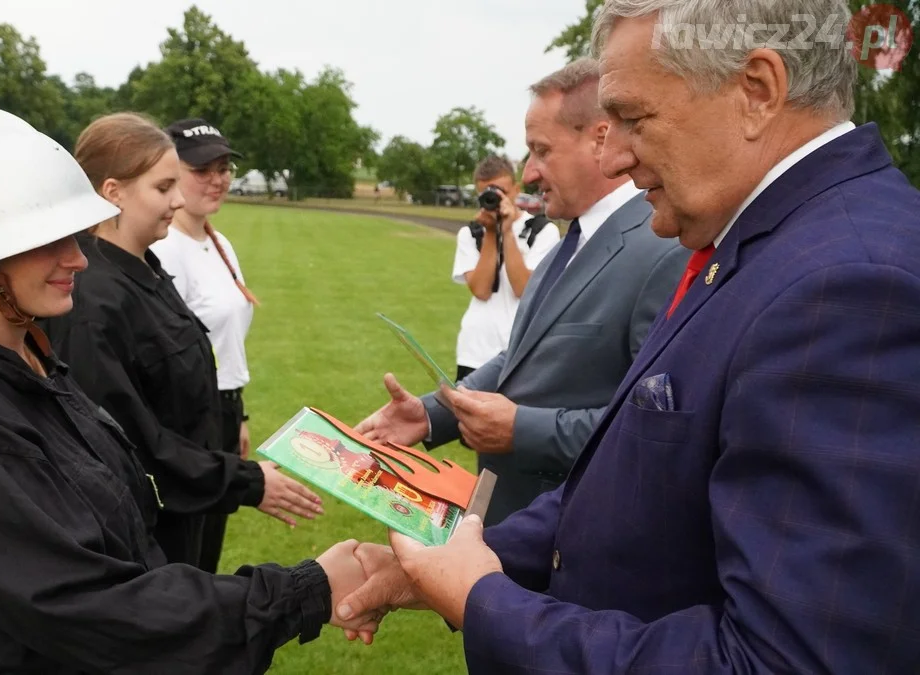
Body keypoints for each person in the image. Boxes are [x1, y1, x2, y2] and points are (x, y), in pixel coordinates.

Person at [341, 1, 920, 672]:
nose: (613, 155)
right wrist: (453, 563)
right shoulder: (755, 244)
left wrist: (484, 597)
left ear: (757, 91)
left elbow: (783, 660)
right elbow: (629, 485)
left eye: (634, 119)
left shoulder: (849, 284)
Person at [0, 106, 380, 674]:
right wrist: (305, 593)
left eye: (74, 235)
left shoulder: (21, 356)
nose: (77, 257)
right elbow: (89, 608)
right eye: (48, 241)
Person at [356, 58, 688, 523]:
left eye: (541, 150)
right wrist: (432, 414)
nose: (529, 173)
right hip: (514, 531)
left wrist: (521, 430)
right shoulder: (563, 249)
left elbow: (651, 430)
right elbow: (520, 358)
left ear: (601, 139)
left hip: (573, 538)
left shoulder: (663, 250)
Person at [42, 113, 322, 570]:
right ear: (112, 192)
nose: (176, 201)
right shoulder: (93, 300)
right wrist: (245, 482)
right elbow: (132, 443)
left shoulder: (144, 266)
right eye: (162, 187)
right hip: (143, 526)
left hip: (186, 499)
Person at [148, 118, 258, 574]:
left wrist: (238, 414)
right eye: (202, 169)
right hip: (189, 418)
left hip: (224, 411)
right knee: (184, 555)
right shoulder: (165, 247)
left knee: (207, 549)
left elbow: (224, 340)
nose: (217, 179)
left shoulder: (218, 240)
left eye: (223, 167)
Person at [453, 155, 561, 381]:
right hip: (475, 351)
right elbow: (481, 290)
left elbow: (523, 288)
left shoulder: (542, 231)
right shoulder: (471, 234)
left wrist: (508, 231)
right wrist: (492, 232)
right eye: (486, 193)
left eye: (500, 191)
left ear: (515, 189)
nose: (494, 198)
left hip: (518, 351)